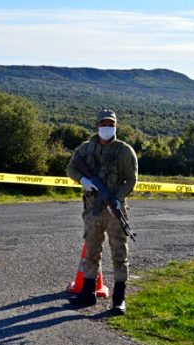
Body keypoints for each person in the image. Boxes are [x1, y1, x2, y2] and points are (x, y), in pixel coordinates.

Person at [65, 109, 138, 315]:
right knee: (91, 251)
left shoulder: (124, 151)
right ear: (96, 125)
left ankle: (118, 299)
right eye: (104, 123)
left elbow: (132, 180)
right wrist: (83, 180)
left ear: (116, 126)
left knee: (119, 253)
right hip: (92, 211)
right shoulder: (86, 148)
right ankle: (87, 293)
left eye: (111, 124)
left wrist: (117, 197)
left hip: (114, 209)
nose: (107, 127)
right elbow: (71, 168)